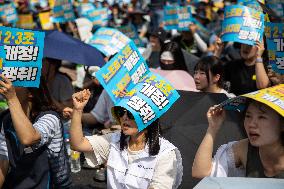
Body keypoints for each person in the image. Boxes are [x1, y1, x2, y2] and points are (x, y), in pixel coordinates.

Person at [69, 89, 183, 189]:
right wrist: (77, 110)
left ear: (148, 120)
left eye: (130, 114)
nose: (124, 117)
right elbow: (78, 144)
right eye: (121, 112)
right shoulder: (114, 140)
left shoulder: (165, 153)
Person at [0, 75, 71, 188]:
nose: (9, 84)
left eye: (16, 82)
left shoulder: (50, 118)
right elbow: (3, 162)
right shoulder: (6, 120)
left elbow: (29, 138)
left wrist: (12, 98)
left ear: (31, 92)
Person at [192, 97, 284, 178]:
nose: (251, 124)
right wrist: (213, 128)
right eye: (248, 116)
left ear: (282, 124)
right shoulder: (244, 148)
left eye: (261, 117)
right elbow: (201, 172)